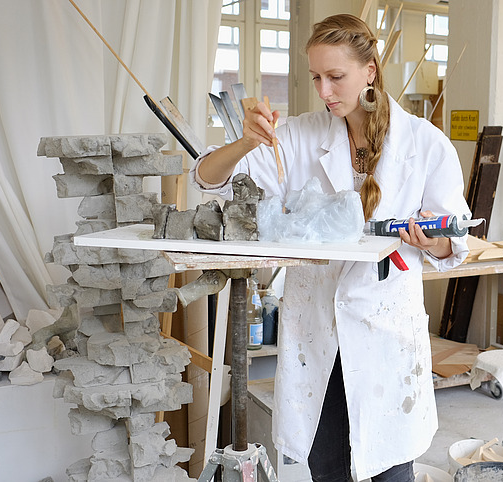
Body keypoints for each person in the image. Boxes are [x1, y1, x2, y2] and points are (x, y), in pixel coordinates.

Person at [191, 13, 471, 482]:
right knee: (326, 467)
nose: (324, 91)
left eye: (336, 77)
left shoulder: (425, 145)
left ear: (370, 72)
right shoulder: (301, 136)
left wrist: (434, 239)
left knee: (387, 469)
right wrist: (244, 141)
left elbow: (453, 245)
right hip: (316, 328)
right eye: (316, 77)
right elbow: (209, 180)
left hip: (385, 332)